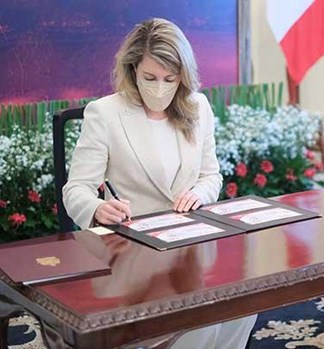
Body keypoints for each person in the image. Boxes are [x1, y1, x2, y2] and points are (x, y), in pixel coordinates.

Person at [63, 18, 256, 348]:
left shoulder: (198, 107)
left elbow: (211, 176)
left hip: (190, 246)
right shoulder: (105, 113)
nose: (159, 87)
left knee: (246, 303)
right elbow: (76, 188)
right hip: (134, 254)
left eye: (170, 78)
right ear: (133, 69)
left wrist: (198, 193)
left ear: (182, 75)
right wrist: (97, 209)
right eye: (150, 77)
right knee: (199, 323)